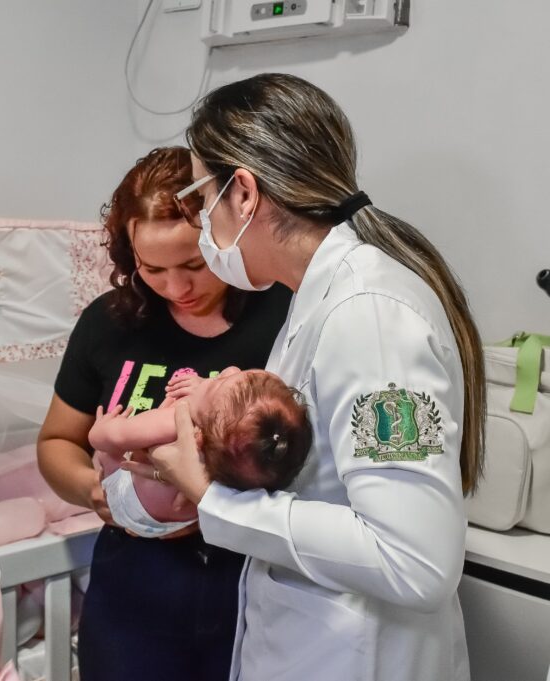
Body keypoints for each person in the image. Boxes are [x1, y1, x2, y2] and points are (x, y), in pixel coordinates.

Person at [143, 73, 484, 681]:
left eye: (200, 200)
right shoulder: (321, 297)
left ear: (243, 194)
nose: (200, 225)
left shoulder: (371, 315)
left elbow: (415, 561)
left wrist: (212, 495)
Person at [36, 146, 292, 681]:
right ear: (129, 257)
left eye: (194, 265)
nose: (177, 288)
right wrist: (98, 494)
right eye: (153, 269)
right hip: (135, 590)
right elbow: (57, 441)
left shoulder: (282, 318)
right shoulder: (109, 324)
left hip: (249, 582)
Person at [88, 367, 312, 537]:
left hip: (131, 505)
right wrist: (209, 388)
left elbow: (114, 437)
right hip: (183, 519)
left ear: (199, 437)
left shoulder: (175, 421)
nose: (230, 369)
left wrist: (99, 431)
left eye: (217, 382)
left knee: (107, 455)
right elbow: (222, 410)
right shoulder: (236, 454)